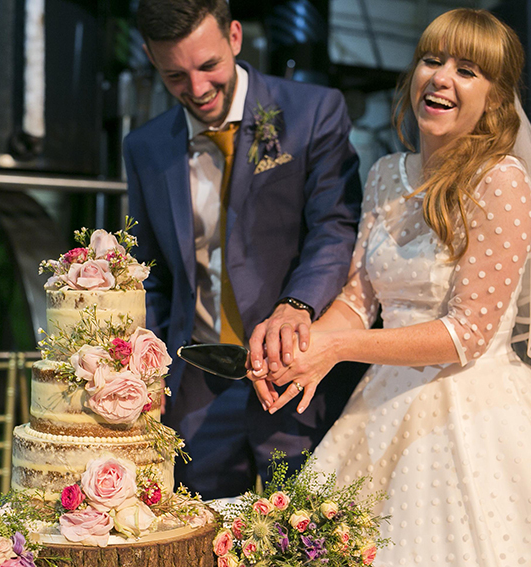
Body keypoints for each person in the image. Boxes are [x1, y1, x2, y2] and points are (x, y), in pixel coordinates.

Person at [250, 8, 531, 566]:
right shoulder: (385, 174)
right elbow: (359, 299)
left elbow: (467, 334)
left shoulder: (502, 181)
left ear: (494, 98)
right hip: (379, 404)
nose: (441, 77)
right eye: (432, 60)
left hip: (476, 416)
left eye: (467, 70)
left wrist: (338, 348)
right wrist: (303, 348)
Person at [123, 0, 364, 499]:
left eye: (209, 66)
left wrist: (296, 307)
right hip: (197, 388)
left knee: (307, 537)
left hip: (298, 377)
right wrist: (150, 370)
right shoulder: (145, 147)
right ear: (150, 57)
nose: (196, 89)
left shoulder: (312, 112)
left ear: (234, 37)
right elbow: (152, 274)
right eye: (175, 76)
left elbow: (335, 228)